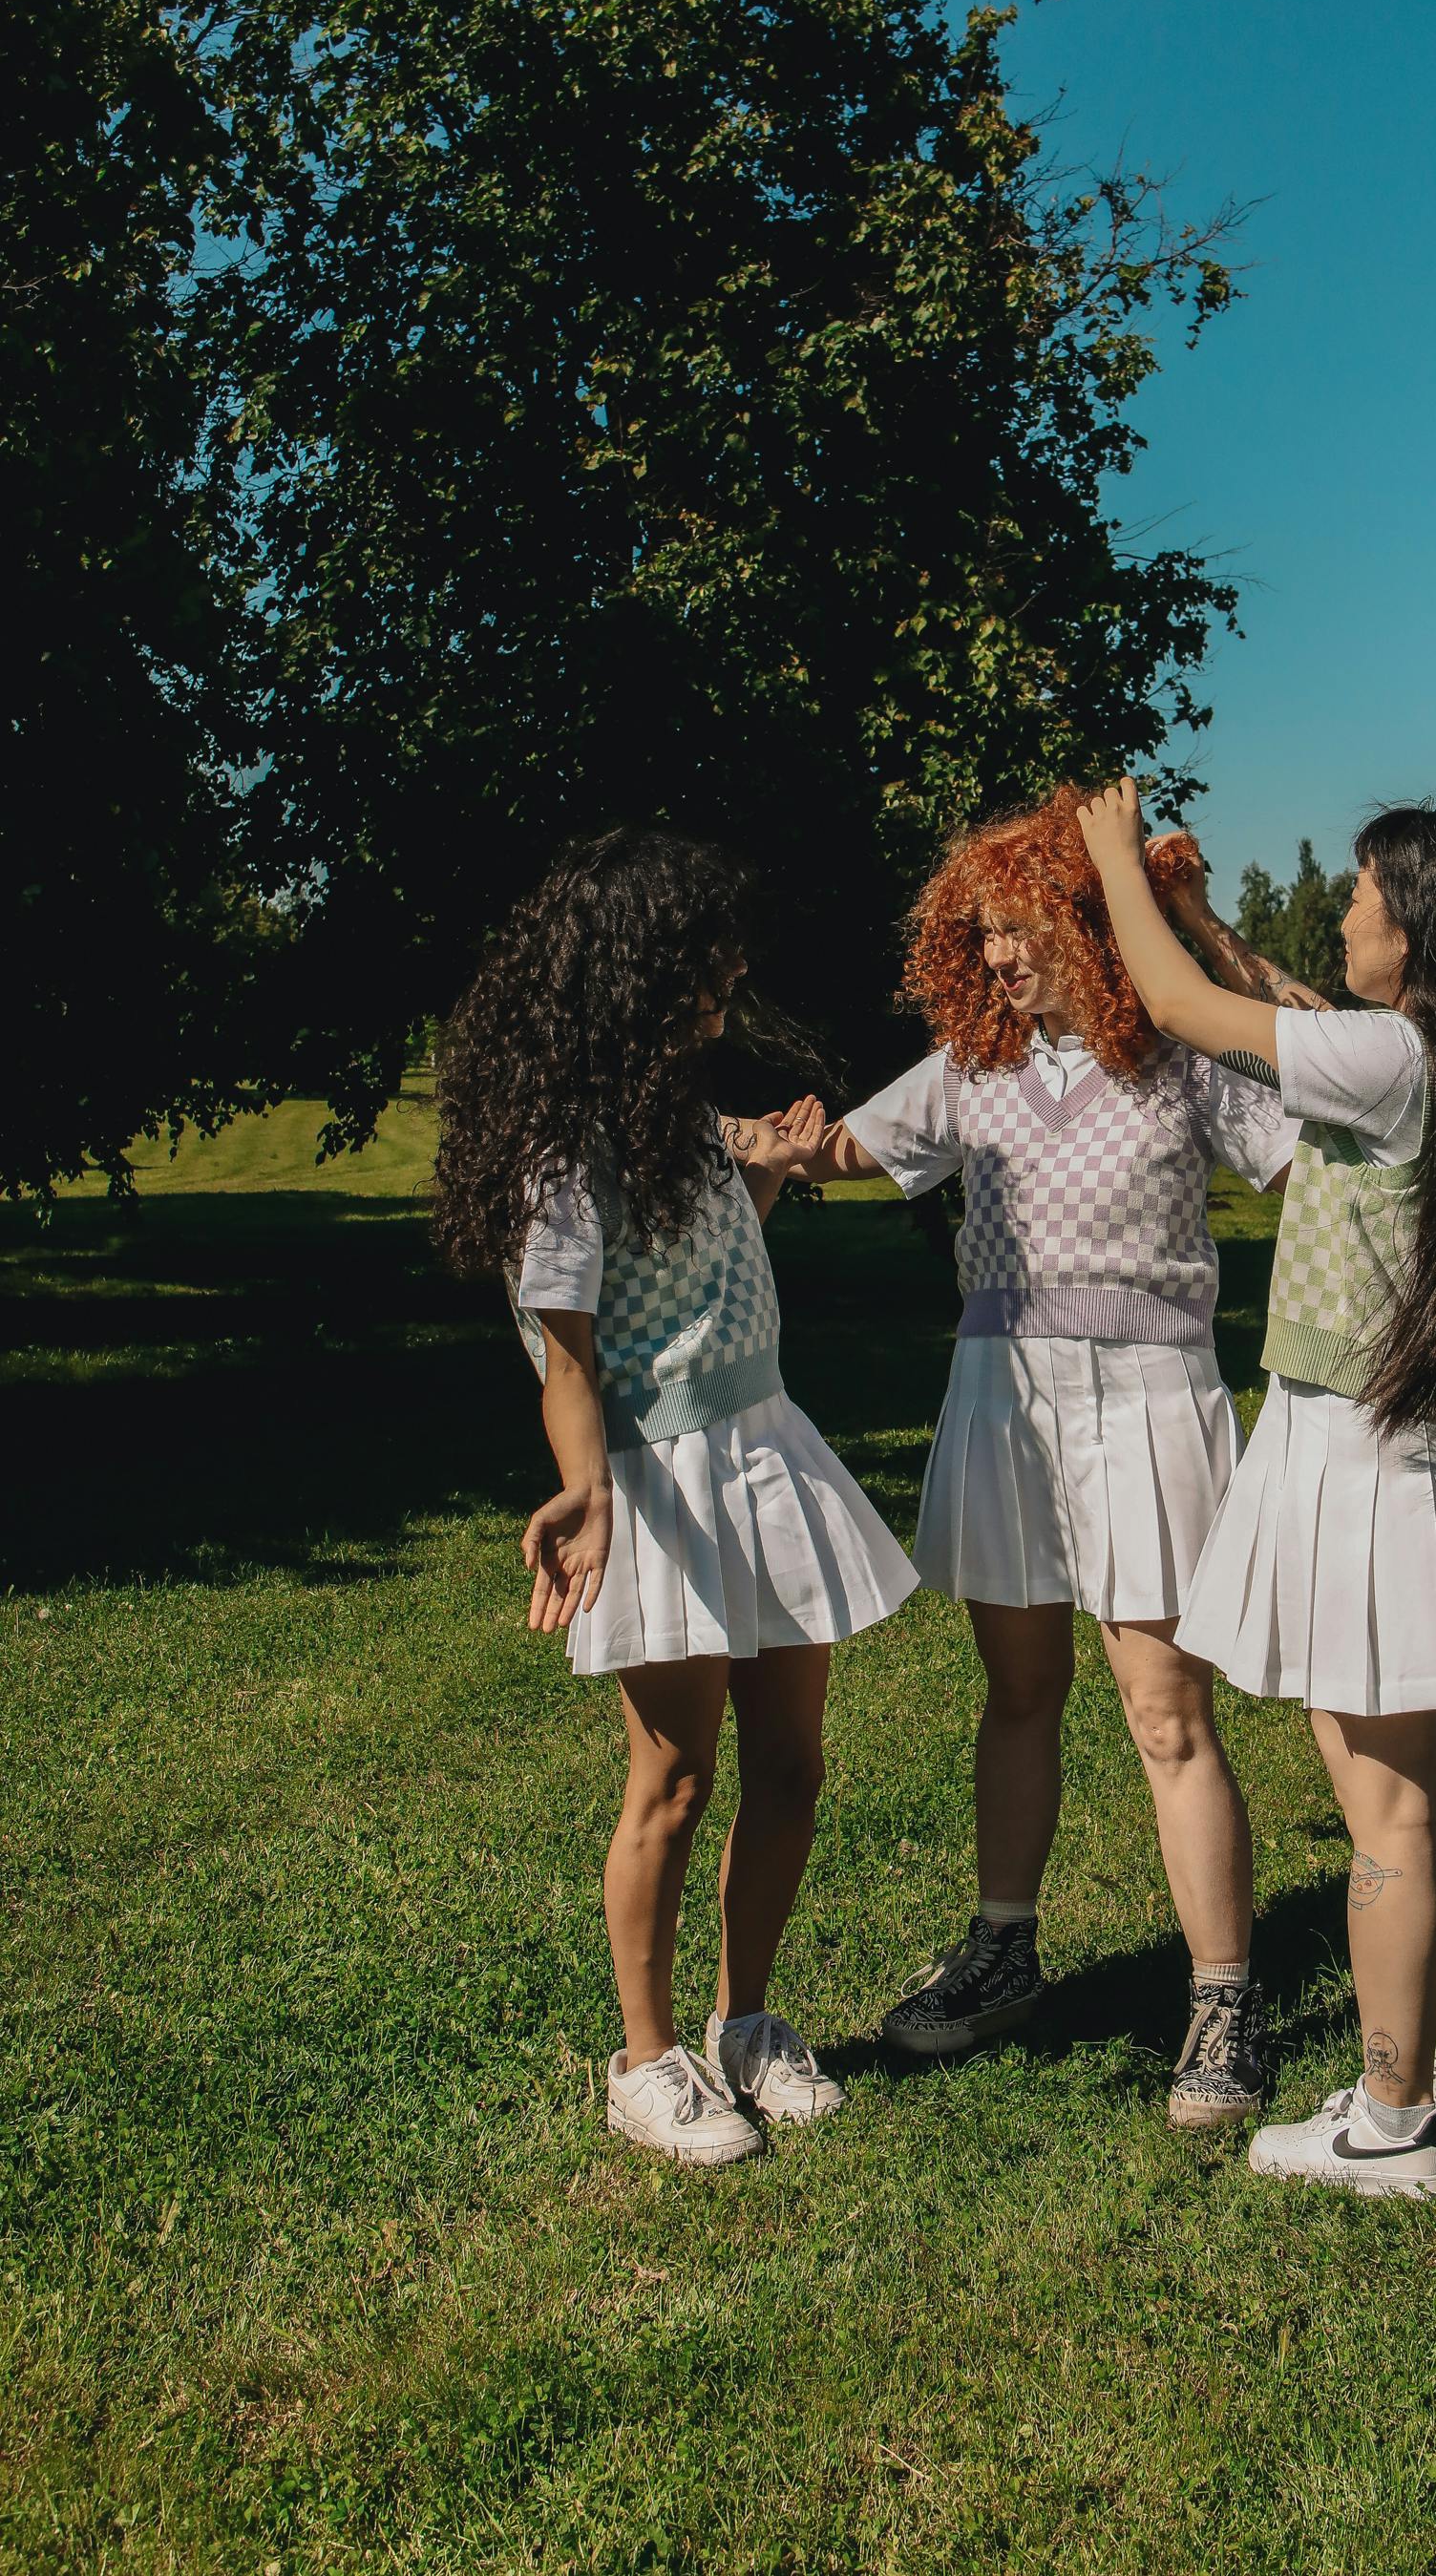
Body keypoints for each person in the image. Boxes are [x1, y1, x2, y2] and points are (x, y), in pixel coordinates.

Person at [1078, 779, 1436, 2200]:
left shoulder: (1392, 1063)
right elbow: (1291, 1006)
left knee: (1384, 1810)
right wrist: (1200, 916)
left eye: (1364, 891)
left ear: (1421, 933)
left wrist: (1115, 873)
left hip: (1365, 1469)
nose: (1343, 906)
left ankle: (1388, 2121)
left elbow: (1200, 1020)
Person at [793, 787, 1316, 2128]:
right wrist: (723, 1142)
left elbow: (1325, 1155)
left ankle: (1224, 1999)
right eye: (984, 937)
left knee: (1165, 1710)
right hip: (1001, 1394)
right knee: (1018, 1690)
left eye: (1022, 930)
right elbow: (841, 1146)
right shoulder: (973, 1070)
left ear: (1093, 926)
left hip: (1149, 1396)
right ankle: (1003, 1949)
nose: (1001, 958)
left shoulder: (1188, 1060)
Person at [433, 828, 918, 2168]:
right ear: (640, 972)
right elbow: (570, 1361)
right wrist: (586, 1491)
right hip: (662, 1482)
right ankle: (644, 2061)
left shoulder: (679, 1118)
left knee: (795, 1765)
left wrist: (758, 1172)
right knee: (677, 1776)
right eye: (708, 954)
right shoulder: (561, 1151)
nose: (734, 971)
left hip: (767, 1450)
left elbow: (705, 1268)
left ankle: (746, 2025)